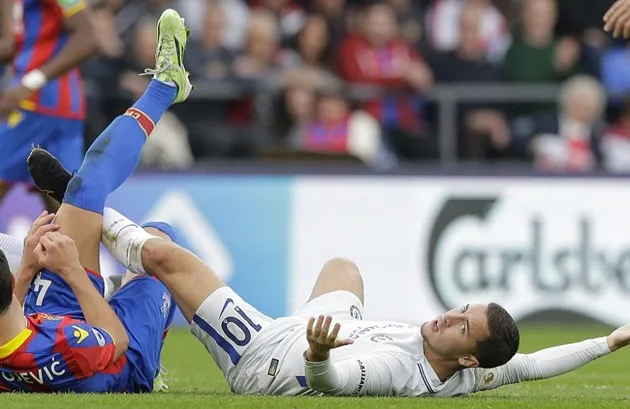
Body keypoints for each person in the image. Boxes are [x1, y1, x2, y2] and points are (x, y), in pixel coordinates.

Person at [26, 161, 630, 396]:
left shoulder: (399, 371)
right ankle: (96, 239)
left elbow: (337, 382)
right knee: (345, 269)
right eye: (462, 308)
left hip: (265, 359)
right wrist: (607, 342)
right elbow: (532, 365)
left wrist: (317, 352)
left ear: (468, 358)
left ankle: (87, 202)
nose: (449, 315)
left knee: (166, 258)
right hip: (316, 332)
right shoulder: (470, 376)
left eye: (460, 325)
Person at [0, 8, 192, 393]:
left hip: (41, 316)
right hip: (122, 351)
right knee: (161, 244)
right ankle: (167, 89)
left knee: (86, 189)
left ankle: (165, 88)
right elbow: (113, 340)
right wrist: (71, 270)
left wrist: (27, 270)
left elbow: (7, 318)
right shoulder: (59, 350)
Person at [0, 0, 98, 212]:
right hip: (62, 110)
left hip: (36, 104)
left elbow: (88, 37)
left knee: (66, 203)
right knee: (65, 205)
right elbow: (14, 45)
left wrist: (30, 82)